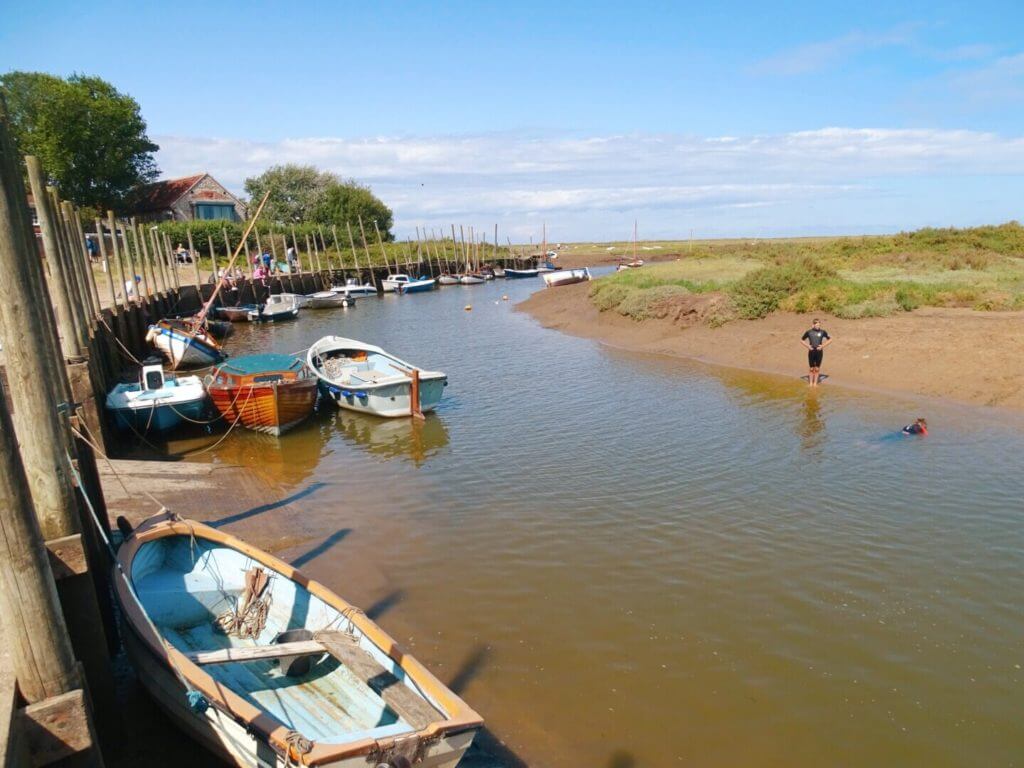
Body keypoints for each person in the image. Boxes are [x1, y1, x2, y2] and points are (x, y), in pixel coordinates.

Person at [800, 318, 832, 387]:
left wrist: (822, 346)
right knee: (811, 368)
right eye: (817, 325)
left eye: (819, 325)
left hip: (819, 352)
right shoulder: (809, 332)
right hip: (811, 351)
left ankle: (815, 383)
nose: (818, 326)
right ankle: (810, 383)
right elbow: (802, 340)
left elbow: (830, 339)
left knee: (817, 369)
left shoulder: (823, 332)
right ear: (813, 325)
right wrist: (808, 346)